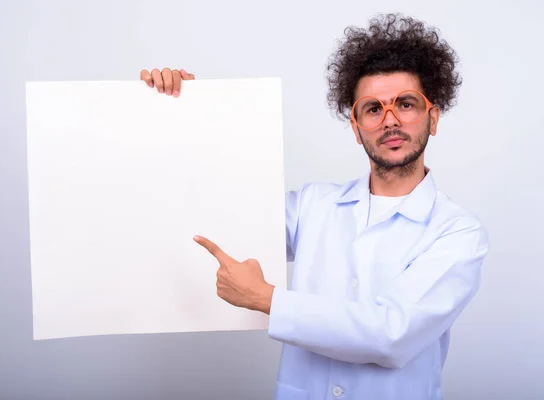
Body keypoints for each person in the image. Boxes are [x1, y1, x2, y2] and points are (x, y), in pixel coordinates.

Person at [140, 13, 489, 400]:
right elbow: (221, 208)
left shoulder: (459, 232)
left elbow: (392, 335)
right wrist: (185, 113)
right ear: (356, 128)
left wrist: (267, 298)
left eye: (406, 104)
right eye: (372, 109)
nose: (390, 121)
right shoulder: (313, 205)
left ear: (432, 118)